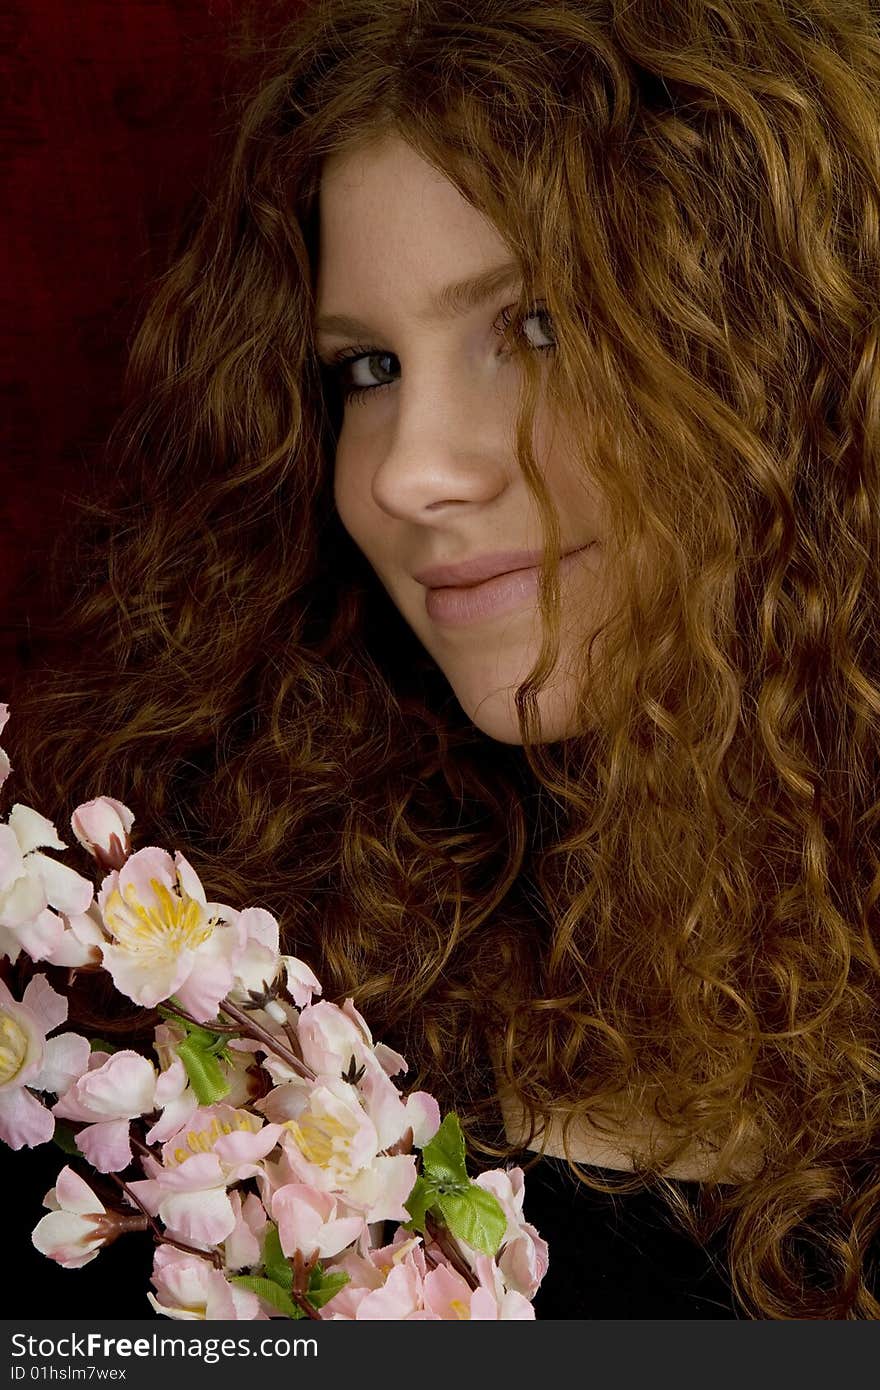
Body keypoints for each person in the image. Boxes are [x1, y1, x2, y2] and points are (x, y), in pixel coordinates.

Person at [6, 0, 880, 1319]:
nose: (411, 473)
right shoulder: (220, 1015)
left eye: (533, 328)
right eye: (363, 366)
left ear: (782, 369)